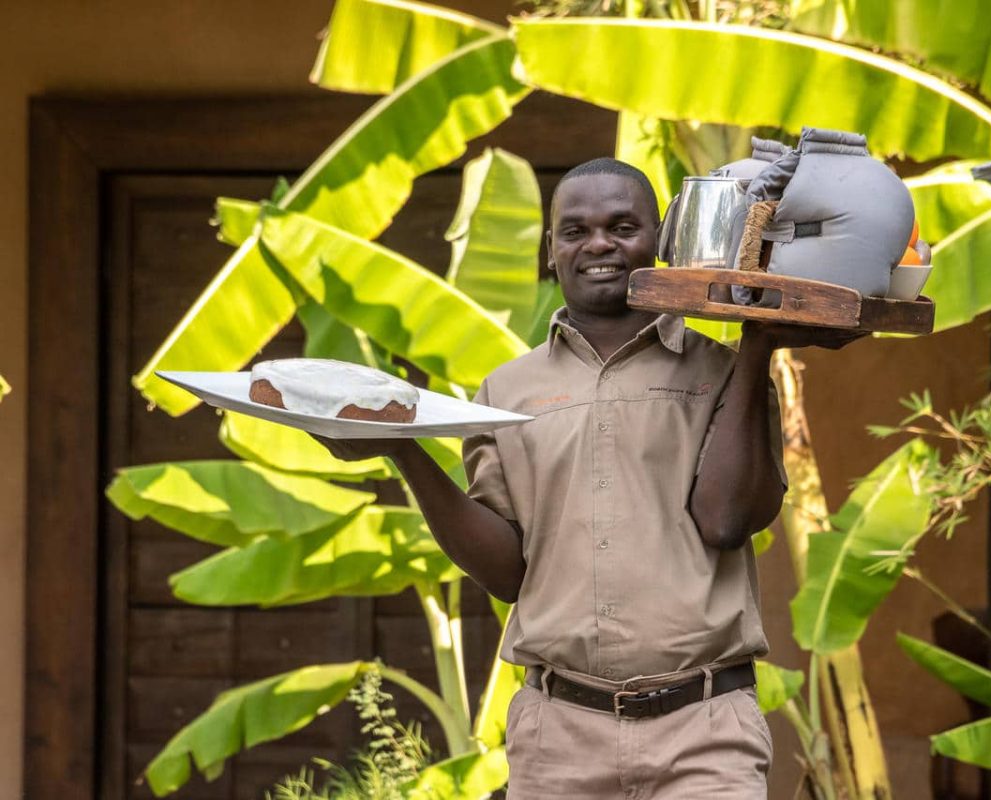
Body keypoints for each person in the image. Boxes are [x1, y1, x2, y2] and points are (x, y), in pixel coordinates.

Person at [316, 158, 862, 799]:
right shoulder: (505, 392)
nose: (598, 244)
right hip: (559, 739)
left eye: (622, 226)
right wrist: (404, 451)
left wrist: (758, 349)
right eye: (574, 231)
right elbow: (505, 574)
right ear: (551, 251)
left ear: (659, 242)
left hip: (706, 733)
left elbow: (727, 519)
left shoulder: (723, 372)